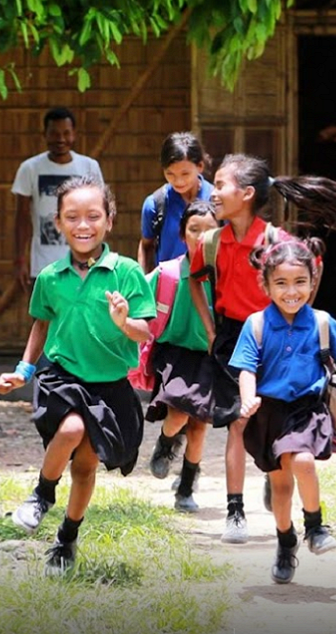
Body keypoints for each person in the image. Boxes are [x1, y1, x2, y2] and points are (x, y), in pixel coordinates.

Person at [187, 153, 336, 545]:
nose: (213, 192)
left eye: (220, 185)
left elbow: (309, 271)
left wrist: (297, 317)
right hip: (234, 340)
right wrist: (207, 328)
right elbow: (194, 281)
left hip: (274, 337)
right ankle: (235, 510)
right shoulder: (209, 241)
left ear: (247, 193)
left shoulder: (276, 241)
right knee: (238, 420)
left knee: (269, 418)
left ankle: (278, 473)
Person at [0, 175, 155, 576]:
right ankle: (41, 494)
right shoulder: (51, 277)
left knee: (84, 466)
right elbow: (41, 326)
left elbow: (145, 331)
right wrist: (22, 371)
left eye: (93, 216)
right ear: (59, 223)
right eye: (73, 217)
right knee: (68, 431)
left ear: (109, 220)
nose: (83, 225)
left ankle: (67, 539)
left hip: (110, 385)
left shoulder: (127, 272)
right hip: (63, 376)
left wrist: (124, 321)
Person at [232, 237, 336, 584]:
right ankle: (286, 542)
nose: (291, 291)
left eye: (300, 282)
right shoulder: (256, 324)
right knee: (280, 488)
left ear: (313, 282)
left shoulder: (323, 322)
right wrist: (248, 398)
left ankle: (315, 526)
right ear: (265, 284)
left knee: (303, 461)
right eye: (281, 283)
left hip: (308, 410)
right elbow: (246, 369)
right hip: (268, 415)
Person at [139, 199, 219, 512]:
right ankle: (167, 441)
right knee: (178, 415)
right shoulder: (168, 272)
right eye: (193, 230)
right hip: (174, 353)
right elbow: (138, 301)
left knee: (200, 426)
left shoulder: (224, 276)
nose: (200, 236)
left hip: (210, 355)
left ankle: (186, 487)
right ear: (182, 234)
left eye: (209, 230)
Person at [12, 107, 103, 290]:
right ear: (44, 135)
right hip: (43, 267)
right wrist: (20, 260)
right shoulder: (30, 168)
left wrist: (98, 259)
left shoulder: (89, 167)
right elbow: (21, 217)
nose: (61, 139)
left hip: (83, 265)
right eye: (54, 133)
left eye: (66, 133)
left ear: (74, 134)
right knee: (43, 318)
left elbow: (100, 214)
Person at [138, 132, 214, 274]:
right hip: (168, 288)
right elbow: (146, 246)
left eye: (185, 174)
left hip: (210, 287)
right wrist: (144, 286)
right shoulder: (156, 204)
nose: (178, 181)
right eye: (170, 174)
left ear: (200, 166)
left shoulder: (217, 200)